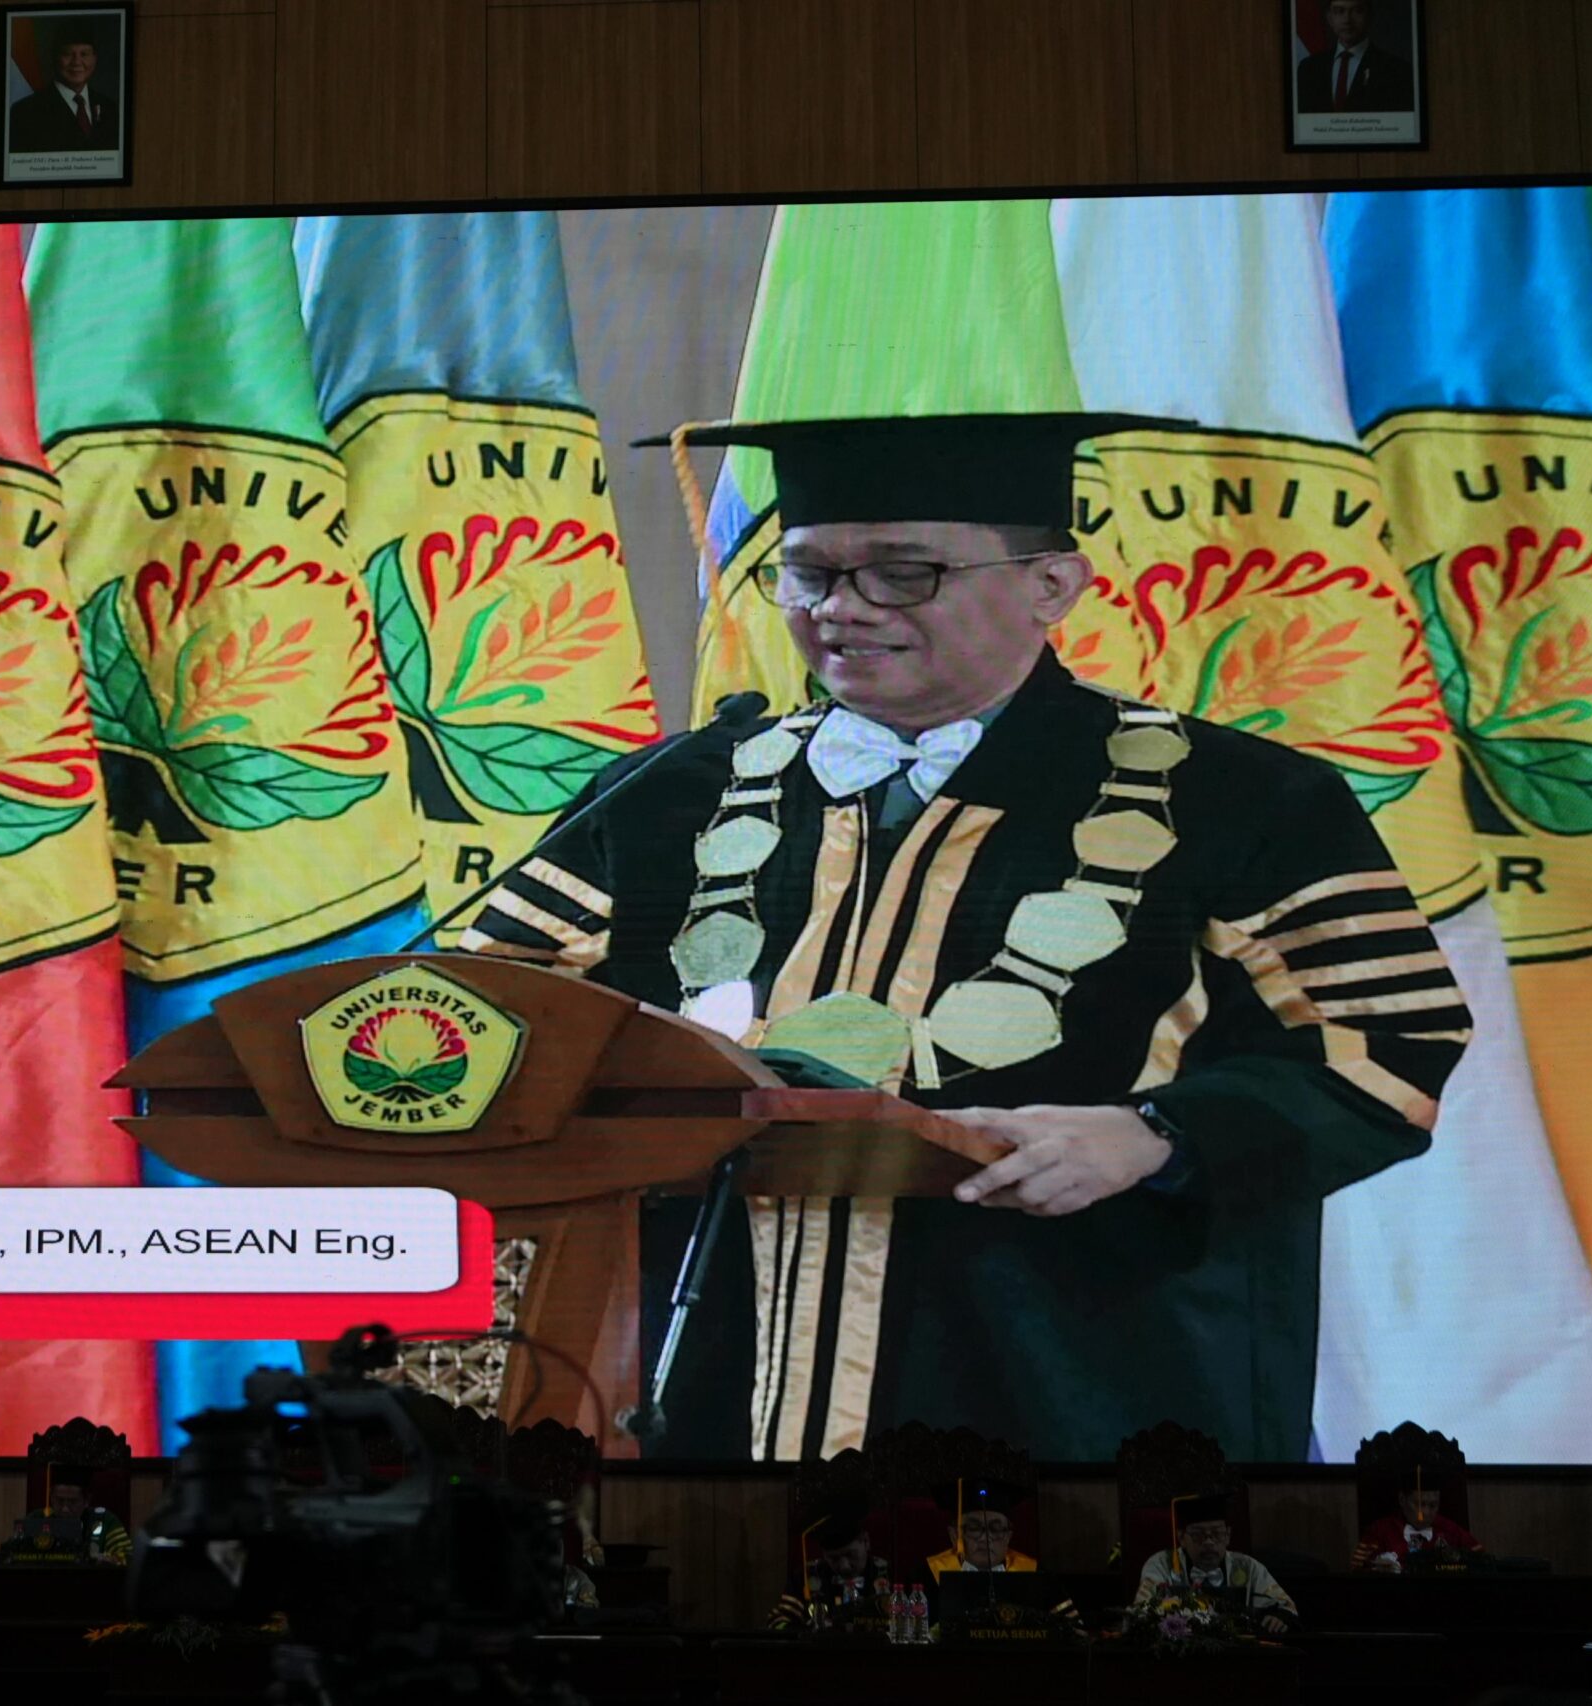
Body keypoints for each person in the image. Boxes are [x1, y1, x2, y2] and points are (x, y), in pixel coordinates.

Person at [471, 412, 1468, 1462]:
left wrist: (1156, 1135)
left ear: (1053, 585)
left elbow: (1389, 1046)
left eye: (903, 573)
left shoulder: (1240, 798)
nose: (841, 608)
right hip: (694, 1372)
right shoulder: (668, 792)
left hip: (1071, 1368)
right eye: (808, 573)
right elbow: (501, 1015)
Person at [1136, 1491, 1296, 1632]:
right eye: (1198, 1535)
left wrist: (1279, 1618)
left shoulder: (1248, 1567)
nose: (1209, 1542)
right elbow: (1142, 1611)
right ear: (1182, 1537)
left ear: (1228, 1536)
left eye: (1217, 1533)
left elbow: (1285, 1607)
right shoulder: (1162, 1564)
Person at [769, 1494, 889, 1630]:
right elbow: (778, 1622)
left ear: (866, 1542)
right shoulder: (805, 1579)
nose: (844, 1567)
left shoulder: (890, 1576)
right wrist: (804, 1631)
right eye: (834, 1558)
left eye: (851, 1555)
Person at [8, 27, 118, 153]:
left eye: (84, 54)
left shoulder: (110, 108)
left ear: (95, 58)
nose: (76, 62)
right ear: (55, 57)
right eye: (68, 54)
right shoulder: (25, 112)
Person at [1353, 1467, 1485, 1571]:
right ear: (1402, 1500)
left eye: (1433, 1505)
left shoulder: (1451, 1531)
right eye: (1419, 1504)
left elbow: (1482, 1564)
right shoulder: (1380, 1531)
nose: (1426, 1512)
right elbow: (1357, 1569)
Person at [1295, 0, 1416, 114]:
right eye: (1339, 11)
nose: (1347, 20)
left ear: (1369, 16)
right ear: (1330, 18)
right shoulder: (1308, 68)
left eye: (1357, 11)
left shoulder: (1397, 70)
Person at [925, 1479, 1038, 1579]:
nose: (985, 1538)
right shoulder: (928, 1578)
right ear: (954, 1535)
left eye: (995, 1529)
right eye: (974, 1528)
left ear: (1008, 1537)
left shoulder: (1033, 1575)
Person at [42, 1462, 132, 1565]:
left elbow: (128, 1559)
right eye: (59, 1501)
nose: (65, 1509)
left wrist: (104, 1560)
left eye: (72, 1502)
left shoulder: (105, 1521)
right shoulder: (39, 1519)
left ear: (87, 1501)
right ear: (51, 1498)